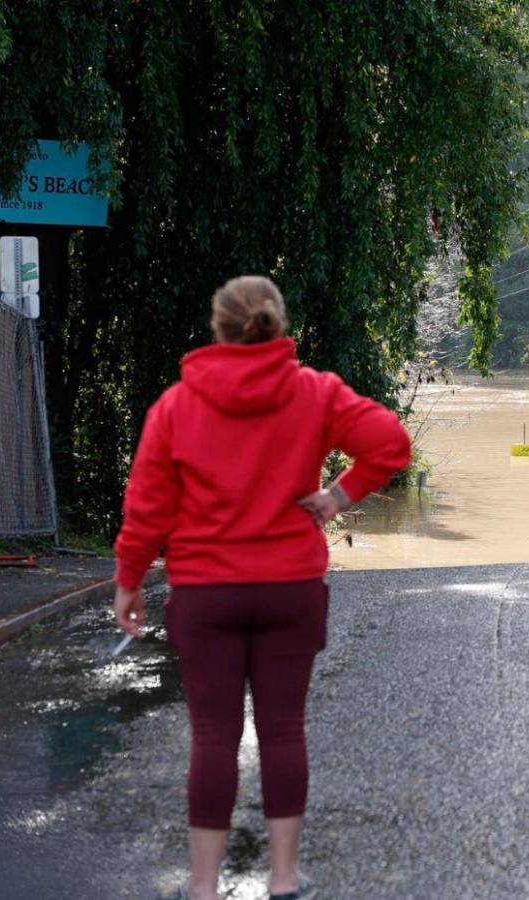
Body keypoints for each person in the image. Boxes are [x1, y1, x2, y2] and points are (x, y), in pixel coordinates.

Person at [112, 275, 411, 900]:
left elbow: (146, 508)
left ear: (218, 330)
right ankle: (282, 879)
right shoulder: (316, 393)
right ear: (277, 325)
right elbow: (389, 443)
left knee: (214, 737)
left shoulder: (176, 406)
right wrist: (337, 495)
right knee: (282, 730)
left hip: (205, 592)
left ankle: (201, 887)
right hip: (289, 588)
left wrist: (129, 581)